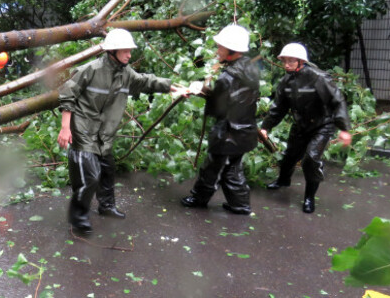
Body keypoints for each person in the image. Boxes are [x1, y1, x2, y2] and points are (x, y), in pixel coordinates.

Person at [57, 28, 180, 235]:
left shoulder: (126, 73)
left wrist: (172, 87)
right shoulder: (91, 70)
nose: (129, 55)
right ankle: (78, 217)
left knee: (107, 171)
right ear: (112, 51)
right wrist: (65, 127)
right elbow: (67, 93)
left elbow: (145, 81)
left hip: (105, 133)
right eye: (125, 51)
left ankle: (106, 206)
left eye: (130, 51)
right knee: (90, 177)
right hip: (84, 129)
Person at [259, 43, 352, 213]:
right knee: (289, 156)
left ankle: (309, 197)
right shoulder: (285, 81)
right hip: (300, 124)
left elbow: (337, 101)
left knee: (311, 160)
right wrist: (265, 127)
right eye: (284, 61)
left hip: (322, 125)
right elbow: (278, 108)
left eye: (291, 61)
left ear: (301, 61)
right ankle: (283, 180)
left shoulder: (319, 78)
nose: (286, 64)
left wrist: (344, 129)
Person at [180, 24, 260, 215]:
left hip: (229, 132)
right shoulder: (250, 68)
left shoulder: (227, 77)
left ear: (232, 51)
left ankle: (199, 199)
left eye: (220, 48)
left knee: (213, 167)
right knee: (232, 168)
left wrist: (202, 90)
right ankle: (240, 204)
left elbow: (217, 108)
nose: (217, 51)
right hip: (245, 129)